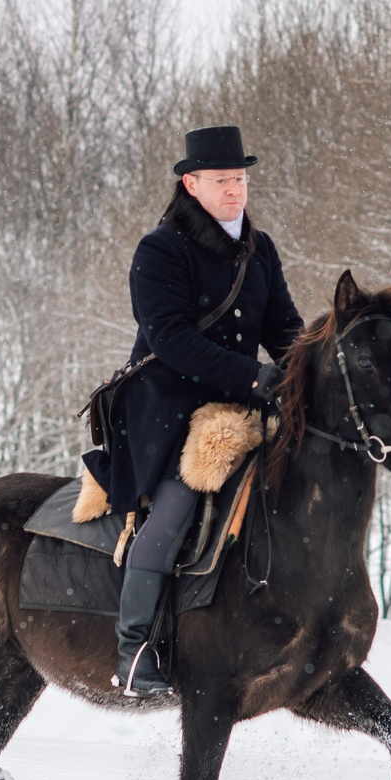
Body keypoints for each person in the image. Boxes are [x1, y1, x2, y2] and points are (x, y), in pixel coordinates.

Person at [84, 126, 303, 697]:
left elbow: (284, 328)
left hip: (240, 403)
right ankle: (134, 650)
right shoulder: (160, 249)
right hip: (166, 404)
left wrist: (307, 372)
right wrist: (253, 376)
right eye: (222, 180)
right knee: (176, 507)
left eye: (241, 179)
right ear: (192, 184)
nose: (235, 190)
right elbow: (172, 340)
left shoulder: (261, 249)